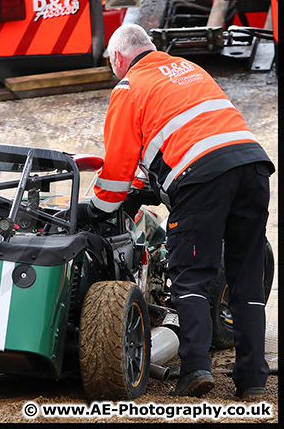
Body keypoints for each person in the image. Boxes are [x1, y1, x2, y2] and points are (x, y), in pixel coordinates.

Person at [87, 23, 274, 398]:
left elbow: (118, 167)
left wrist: (99, 208)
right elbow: (193, 129)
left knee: (190, 276)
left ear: (119, 58)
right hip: (253, 166)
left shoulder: (128, 87)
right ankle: (253, 379)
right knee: (246, 278)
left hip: (201, 176)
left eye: (111, 64)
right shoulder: (189, 69)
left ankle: (195, 370)